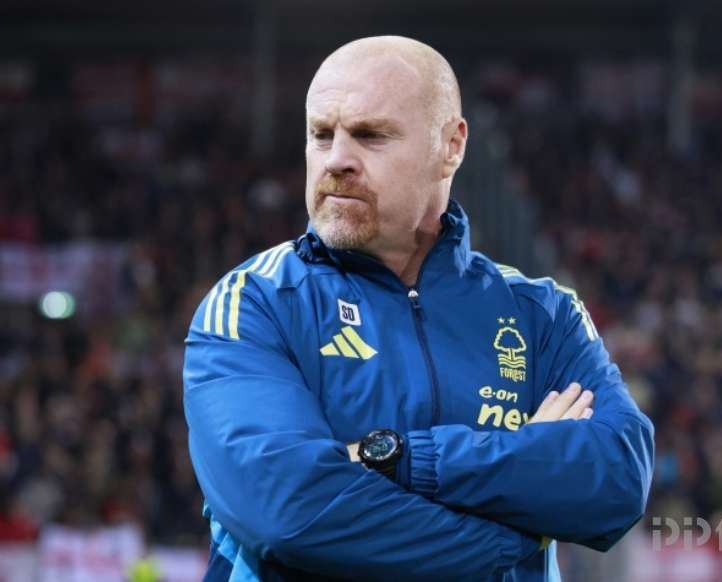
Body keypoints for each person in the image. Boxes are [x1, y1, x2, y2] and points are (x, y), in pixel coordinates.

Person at [183, 35, 654, 581]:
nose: (337, 159)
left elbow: (618, 479)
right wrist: (519, 526)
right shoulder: (255, 304)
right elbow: (289, 511)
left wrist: (400, 458)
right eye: (321, 134)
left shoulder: (543, 315)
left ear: (451, 146)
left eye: (371, 136)